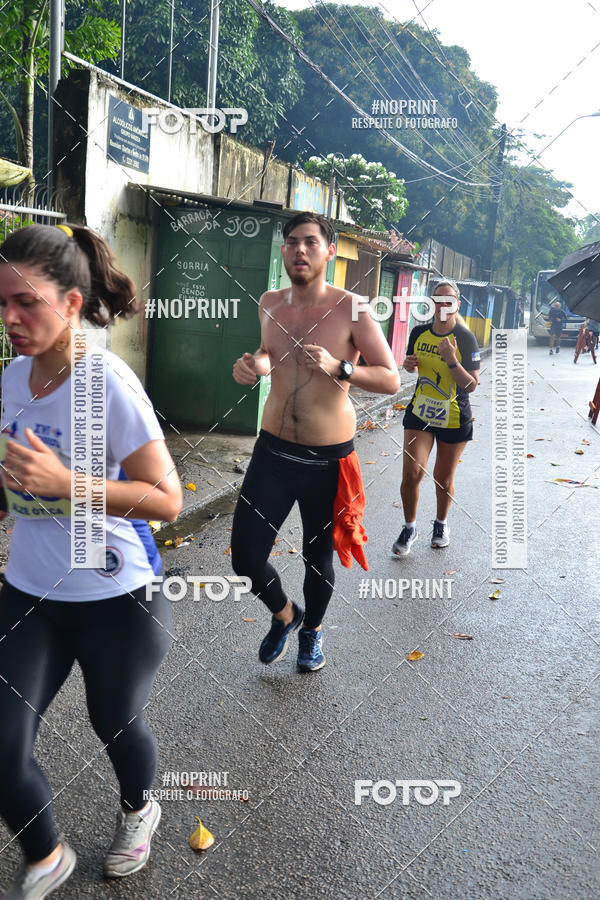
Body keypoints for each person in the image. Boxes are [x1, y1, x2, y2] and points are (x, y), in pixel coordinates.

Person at [0, 224, 182, 898]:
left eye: (28, 303)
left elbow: (166, 498)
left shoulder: (108, 383)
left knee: (115, 720)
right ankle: (47, 855)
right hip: (29, 597)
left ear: (72, 304)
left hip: (117, 597)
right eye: (2, 305)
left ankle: (140, 807)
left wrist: (66, 484)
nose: (12, 320)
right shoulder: (12, 380)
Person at [231, 212, 400, 672]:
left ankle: (312, 632)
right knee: (246, 557)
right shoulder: (269, 302)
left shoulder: (353, 309)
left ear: (329, 251)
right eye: (291, 242)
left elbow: (390, 378)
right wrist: (255, 366)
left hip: (327, 461)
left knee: (316, 558)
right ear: (283, 251)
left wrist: (340, 367)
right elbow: (268, 352)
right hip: (272, 452)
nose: (299, 250)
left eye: (310, 242)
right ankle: (286, 616)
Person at [392, 279, 480, 557]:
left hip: (454, 417)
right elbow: (411, 366)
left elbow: (471, 386)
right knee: (412, 473)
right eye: (437, 299)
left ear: (457, 304)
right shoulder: (419, 332)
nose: (442, 305)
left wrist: (452, 360)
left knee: (443, 478)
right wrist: (408, 365)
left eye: (448, 300)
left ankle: (441, 525)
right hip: (421, 413)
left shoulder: (465, 338)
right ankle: (409, 527)